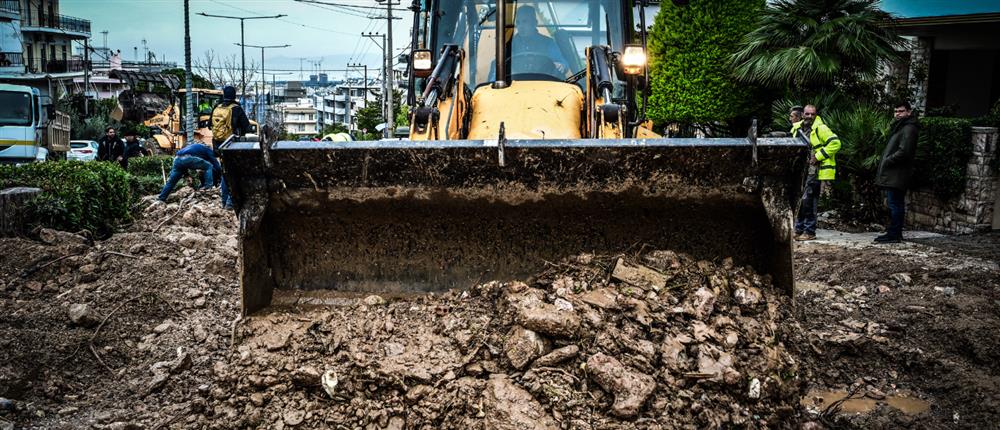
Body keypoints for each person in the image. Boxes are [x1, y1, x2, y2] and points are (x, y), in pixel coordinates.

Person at [790, 105, 841, 241]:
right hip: (801, 170)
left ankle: (809, 231)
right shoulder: (797, 128)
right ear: (803, 115)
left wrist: (818, 156)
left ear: (816, 115)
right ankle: (799, 229)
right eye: (807, 114)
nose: (809, 117)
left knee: (809, 200)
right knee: (800, 200)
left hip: (814, 171)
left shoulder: (821, 128)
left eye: (812, 114)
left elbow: (835, 143)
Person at [874, 101, 919, 244]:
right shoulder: (901, 127)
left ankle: (894, 234)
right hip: (895, 174)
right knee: (895, 204)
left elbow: (904, 152)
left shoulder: (909, 128)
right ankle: (894, 233)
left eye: (901, 111)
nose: (897, 114)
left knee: (895, 204)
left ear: (909, 112)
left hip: (897, 174)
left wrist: (887, 160)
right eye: (895, 111)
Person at [210, 86, 251, 210]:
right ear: (234, 96)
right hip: (231, 146)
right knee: (235, 174)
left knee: (225, 173)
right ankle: (230, 203)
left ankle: (224, 202)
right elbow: (247, 127)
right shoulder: (236, 109)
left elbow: (209, 125)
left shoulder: (217, 108)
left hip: (218, 146)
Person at [511, 5, 571, 77]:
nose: (521, 26)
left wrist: (561, 65)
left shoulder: (548, 43)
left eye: (525, 21)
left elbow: (563, 63)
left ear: (534, 23)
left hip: (544, 84)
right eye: (518, 22)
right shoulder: (510, 44)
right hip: (516, 84)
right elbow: (500, 66)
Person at [157, 143, 222, 202]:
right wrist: (221, 175)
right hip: (188, 158)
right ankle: (208, 187)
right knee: (208, 166)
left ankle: (161, 198)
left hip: (177, 159)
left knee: (172, 182)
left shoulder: (194, 147)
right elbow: (215, 164)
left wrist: (187, 175)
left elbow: (185, 164)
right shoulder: (208, 149)